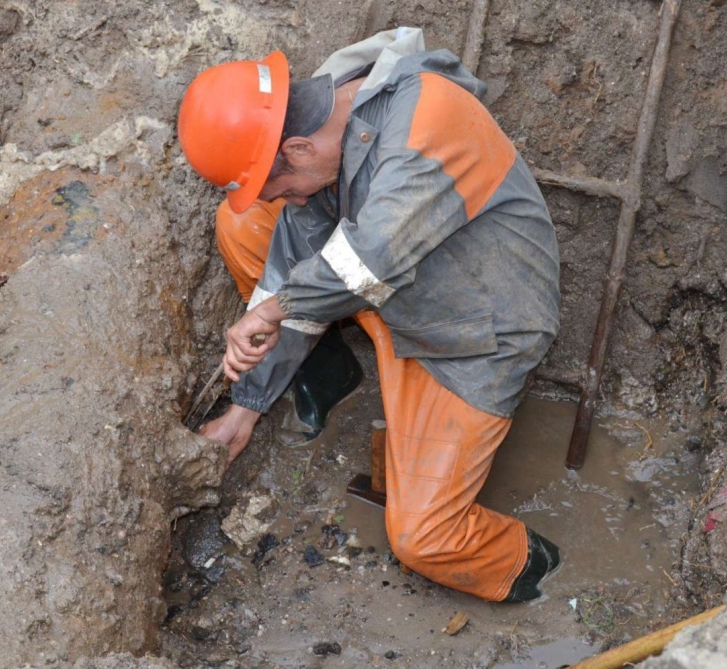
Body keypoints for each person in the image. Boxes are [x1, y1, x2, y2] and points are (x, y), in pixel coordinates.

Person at [177, 27, 562, 602]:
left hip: (477, 331)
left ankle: (533, 568)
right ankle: (326, 377)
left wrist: (280, 309)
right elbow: (290, 267)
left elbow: (371, 258)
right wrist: (245, 406)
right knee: (247, 227)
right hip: (393, 293)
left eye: (280, 186)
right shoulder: (325, 136)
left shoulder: (427, 124)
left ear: (297, 149)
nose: (291, 201)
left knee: (424, 537)